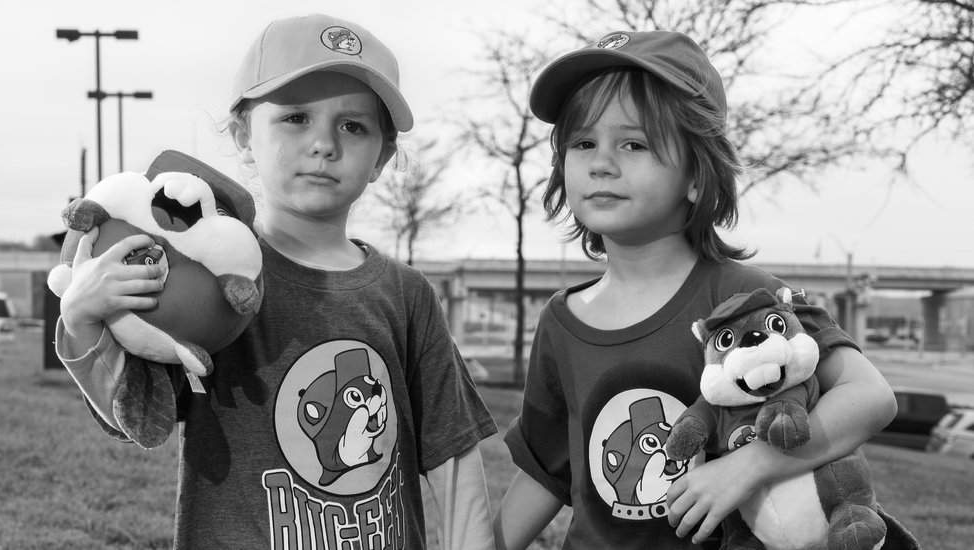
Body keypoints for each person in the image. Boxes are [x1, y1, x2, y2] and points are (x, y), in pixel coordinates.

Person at [55, 13, 498, 549]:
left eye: (353, 125)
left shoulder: (406, 295)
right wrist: (81, 321)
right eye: (295, 118)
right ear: (244, 138)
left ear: (382, 156)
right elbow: (138, 414)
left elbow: (454, 461)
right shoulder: (199, 275)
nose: (324, 144)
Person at [493, 30, 902, 549]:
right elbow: (545, 470)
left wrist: (751, 466)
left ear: (696, 174)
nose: (601, 162)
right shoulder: (561, 320)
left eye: (634, 143)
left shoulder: (749, 297)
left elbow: (871, 396)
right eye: (583, 143)